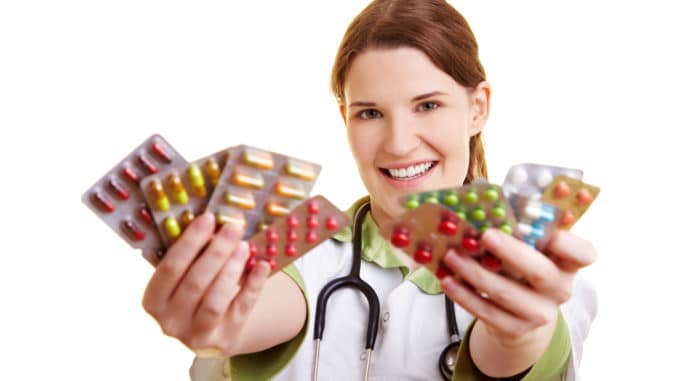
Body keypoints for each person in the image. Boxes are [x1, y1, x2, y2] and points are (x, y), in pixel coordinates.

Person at [142, 0, 597, 380]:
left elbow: (517, 350)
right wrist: (218, 315)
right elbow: (258, 307)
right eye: (370, 113)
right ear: (345, 119)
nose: (399, 144)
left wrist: (517, 334)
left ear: (477, 109)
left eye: (428, 105)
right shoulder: (305, 253)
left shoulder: (541, 277)